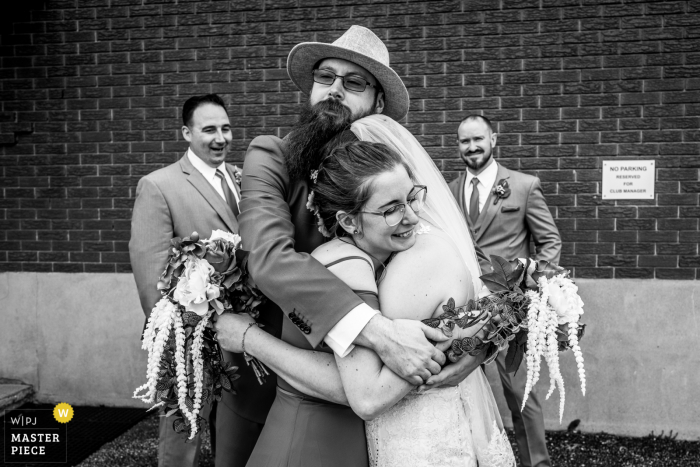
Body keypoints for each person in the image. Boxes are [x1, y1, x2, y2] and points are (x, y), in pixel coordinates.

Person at [216, 138, 515, 467]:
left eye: (413, 198)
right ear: (348, 221)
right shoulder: (345, 262)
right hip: (311, 441)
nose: (415, 217)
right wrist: (250, 338)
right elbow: (366, 393)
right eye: (391, 210)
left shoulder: (388, 256)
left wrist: (477, 333)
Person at [129, 94, 280, 467]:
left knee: (237, 434)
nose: (220, 138)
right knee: (184, 436)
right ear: (187, 132)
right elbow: (151, 276)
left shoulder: (245, 181)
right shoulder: (158, 185)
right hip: (192, 340)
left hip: (247, 334)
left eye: (226, 129)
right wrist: (182, 340)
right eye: (209, 129)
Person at [448, 115, 562, 467]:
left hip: (508, 310)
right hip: (463, 309)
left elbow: (549, 241)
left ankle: (536, 464)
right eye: (464, 141)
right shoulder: (448, 191)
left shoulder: (524, 186)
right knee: (463, 393)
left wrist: (532, 281)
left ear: (493, 139)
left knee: (521, 396)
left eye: (478, 139)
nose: (472, 147)